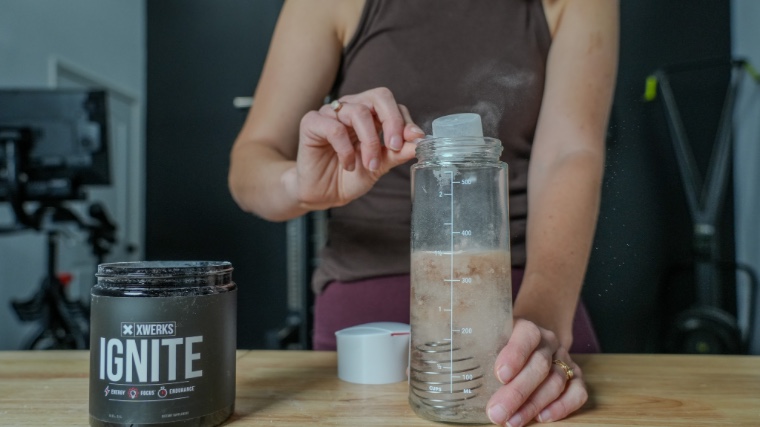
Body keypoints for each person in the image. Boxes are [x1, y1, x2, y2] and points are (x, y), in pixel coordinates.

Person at [229, 0, 618, 425]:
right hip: (369, 313)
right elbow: (251, 163)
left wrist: (542, 323)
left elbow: (569, 152)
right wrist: (300, 187)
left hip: (526, 299)